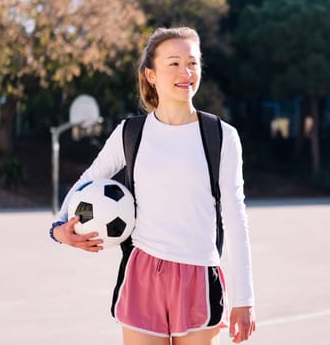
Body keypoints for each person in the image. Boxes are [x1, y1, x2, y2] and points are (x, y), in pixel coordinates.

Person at [49, 27, 256, 345]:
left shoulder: (221, 135)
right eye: (173, 63)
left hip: (199, 274)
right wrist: (59, 228)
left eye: (192, 62)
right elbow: (85, 182)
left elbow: (235, 217)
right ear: (150, 74)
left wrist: (245, 299)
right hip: (143, 272)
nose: (185, 72)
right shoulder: (130, 133)